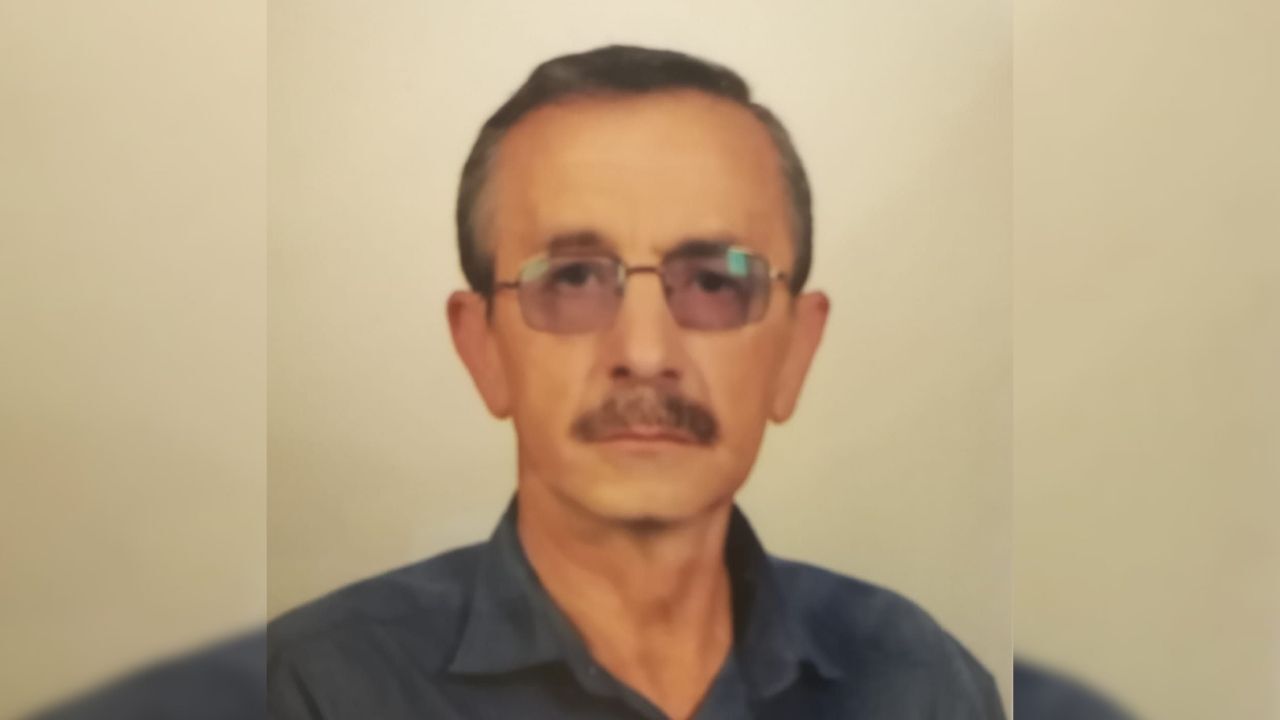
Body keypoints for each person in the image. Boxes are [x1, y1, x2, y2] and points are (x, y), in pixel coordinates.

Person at [268, 44, 1004, 719]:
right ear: (482, 348)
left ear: (794, 353)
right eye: (573, 279)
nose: (647, 352)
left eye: (715, 282)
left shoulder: (921, 686)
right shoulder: (314, 691)